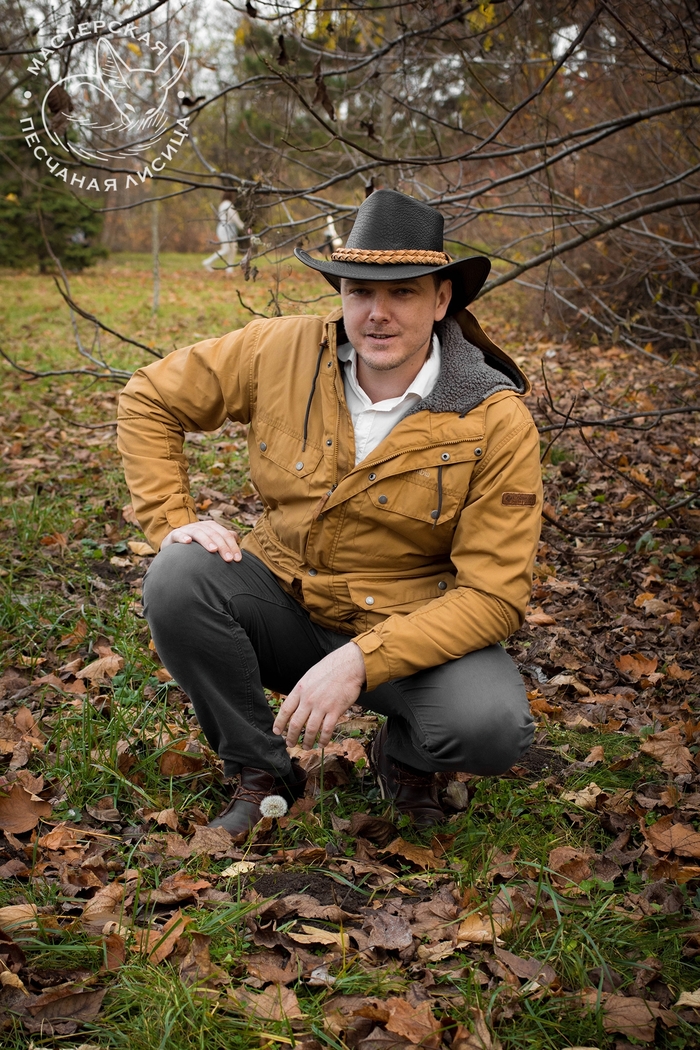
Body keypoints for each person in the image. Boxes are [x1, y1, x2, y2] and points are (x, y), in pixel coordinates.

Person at [117, 189, 542, 841]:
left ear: (441, 300)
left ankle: (404, 759)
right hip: (282, 600)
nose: (377, 314)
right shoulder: (279, 351)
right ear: (340, 293)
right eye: (359, 291)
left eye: (403, 293)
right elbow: (150, 395)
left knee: (490, 726)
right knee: (178, 575)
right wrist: (173, 517)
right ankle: (262, 772)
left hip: (409, 627)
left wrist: (361, 660)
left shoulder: (493, 418)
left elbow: (493, 596)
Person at [202, 190, 244, 275]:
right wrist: (244, 227)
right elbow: (235, 218)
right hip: (226, 229)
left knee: (233, 249)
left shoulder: (223, 204)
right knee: (226, 249)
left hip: (229, 229)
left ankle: (230, 269)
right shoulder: (228, 205)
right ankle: (207, 262)